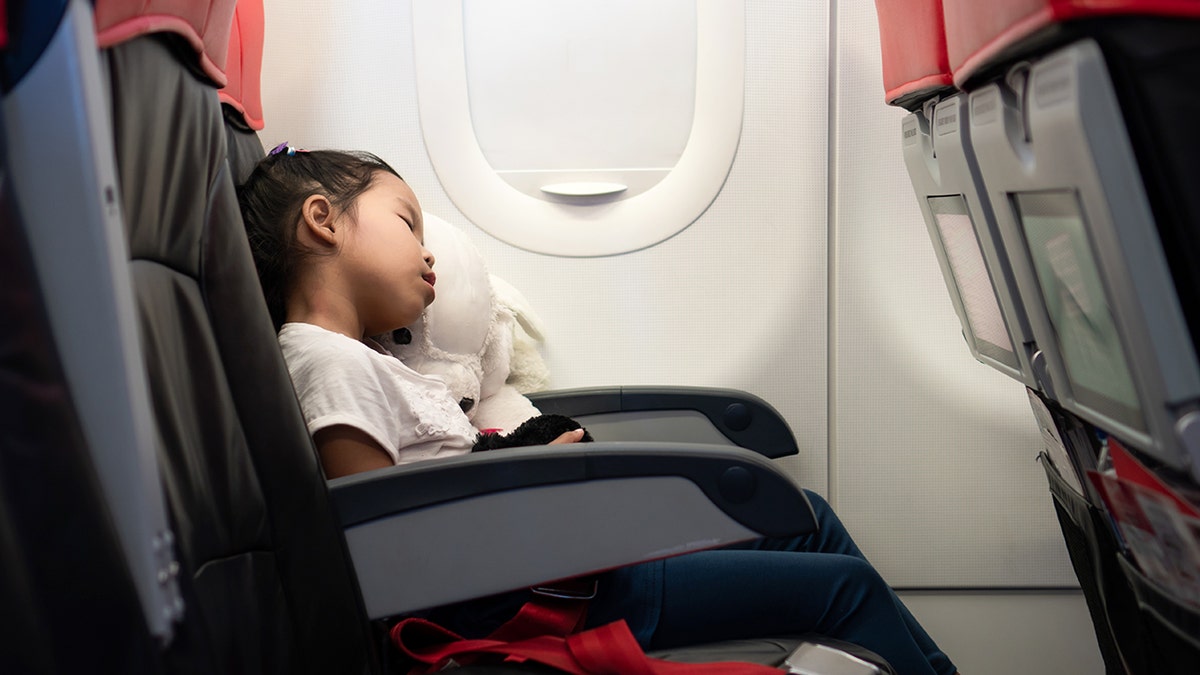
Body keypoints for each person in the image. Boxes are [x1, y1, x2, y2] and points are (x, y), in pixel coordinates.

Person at [237, 146, 959, 675]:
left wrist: (525, 461)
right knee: (843, 588)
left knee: (810, 515)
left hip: (555, 557)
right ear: (322, 222)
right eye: (407, 224)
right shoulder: (325, 360)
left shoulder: (370, 362)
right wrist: (526, 478)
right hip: (539, 588)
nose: (430, 258)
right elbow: (384, 544)